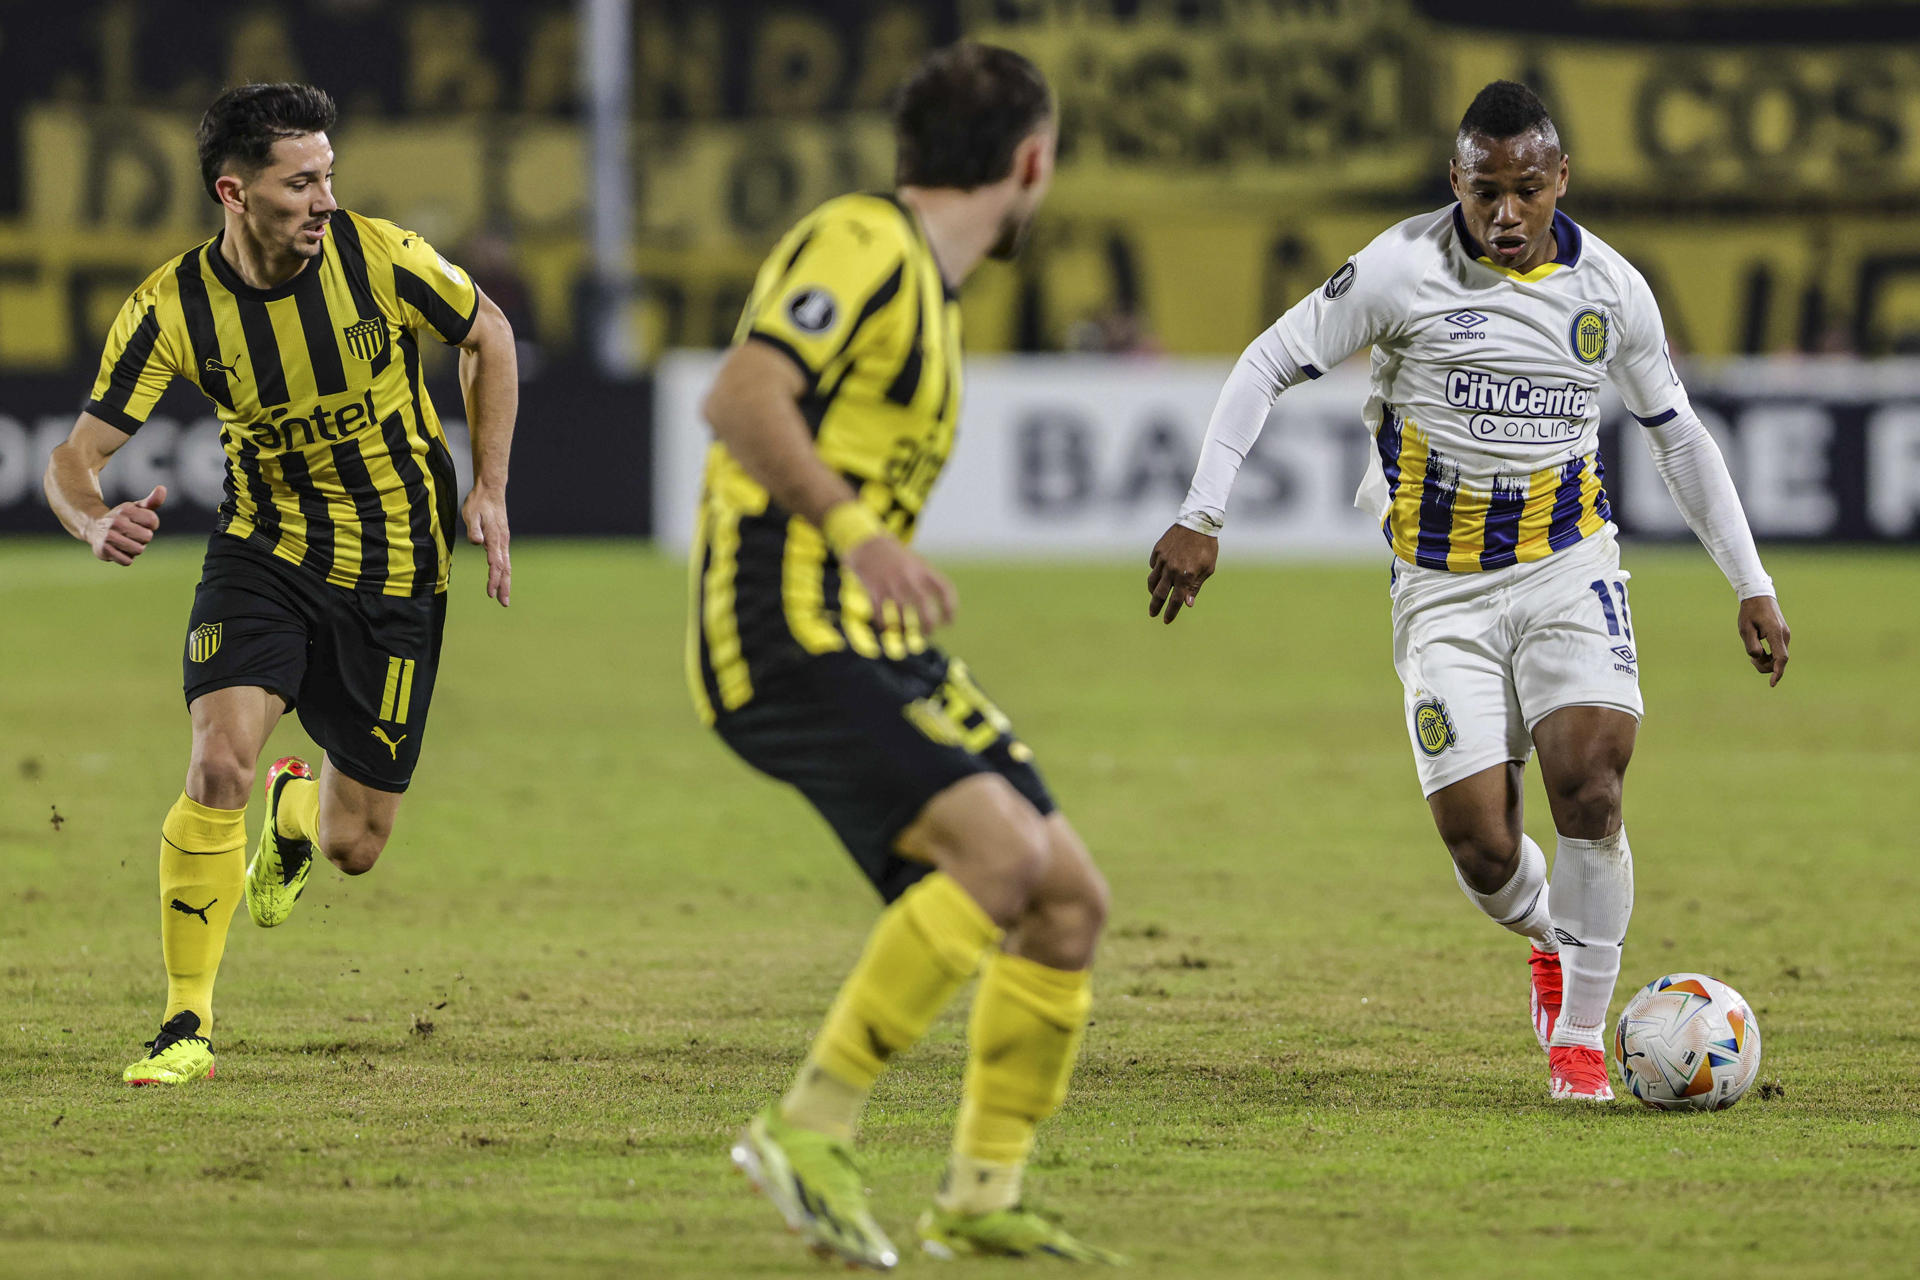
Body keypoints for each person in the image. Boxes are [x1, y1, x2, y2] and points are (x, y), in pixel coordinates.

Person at [1147, 81, 1790, 1102]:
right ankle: (1543, 931)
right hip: (1441, 592)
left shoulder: (1612, 289)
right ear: (1456, 180)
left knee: (1591, 780)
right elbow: (1269, 360)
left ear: (1560, 179)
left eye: (1527, 189)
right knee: (1483, 845)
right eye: (1485, 189)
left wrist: (1749, 582)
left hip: (1568, 566)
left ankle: (1582, 1040)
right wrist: (1202, 511)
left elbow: (1677, 435)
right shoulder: (1399, 269)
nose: (1505, 212)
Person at [690, 41, 1120, 1268]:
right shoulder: (864, 244)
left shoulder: (928, 285)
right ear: (1030, 161)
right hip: (781, 617)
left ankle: (980, 1195)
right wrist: (856, 530)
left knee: (1067, 898)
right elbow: (741, 393)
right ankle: (807, 1127)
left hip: (870, 634)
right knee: (998, 852)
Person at [44, 83, 517, 1087]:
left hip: (398, 574)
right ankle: (184, 1022)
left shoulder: (380, 259)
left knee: (356, 844)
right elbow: (74, 455)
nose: (324, 201)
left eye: (329, 177)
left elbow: (491, 335)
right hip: (265, 551)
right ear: (235, 191)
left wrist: (490, 488)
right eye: (301, 182)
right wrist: (93, 519)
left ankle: (298, 814)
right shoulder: (170, 306)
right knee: (217, 765)